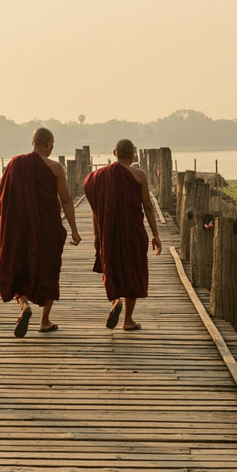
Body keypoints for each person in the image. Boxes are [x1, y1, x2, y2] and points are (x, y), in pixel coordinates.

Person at [0, 127, 81, 337]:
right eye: (52, 145)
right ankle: (44, 321)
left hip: (20, 229)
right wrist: (74, 230)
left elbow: (2, 197)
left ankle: (24, 305)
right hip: (48, 229)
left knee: (20, 268)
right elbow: (67, 199)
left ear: (32, 142)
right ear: (47, 144)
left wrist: (7, 225)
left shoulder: (14, 164)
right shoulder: (55, 167)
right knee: (49, 271)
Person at [83, 139, 162, 331]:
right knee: (133, 271)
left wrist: (96, 236)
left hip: (107, 232)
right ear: (132, 155)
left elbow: (96, 209)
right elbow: (148, 207)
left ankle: (115, 300)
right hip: (133, 231)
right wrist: (156, 234)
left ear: (114, 153)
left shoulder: (95, 177)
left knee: (111, 267)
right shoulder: (139, 176)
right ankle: (128, 320)